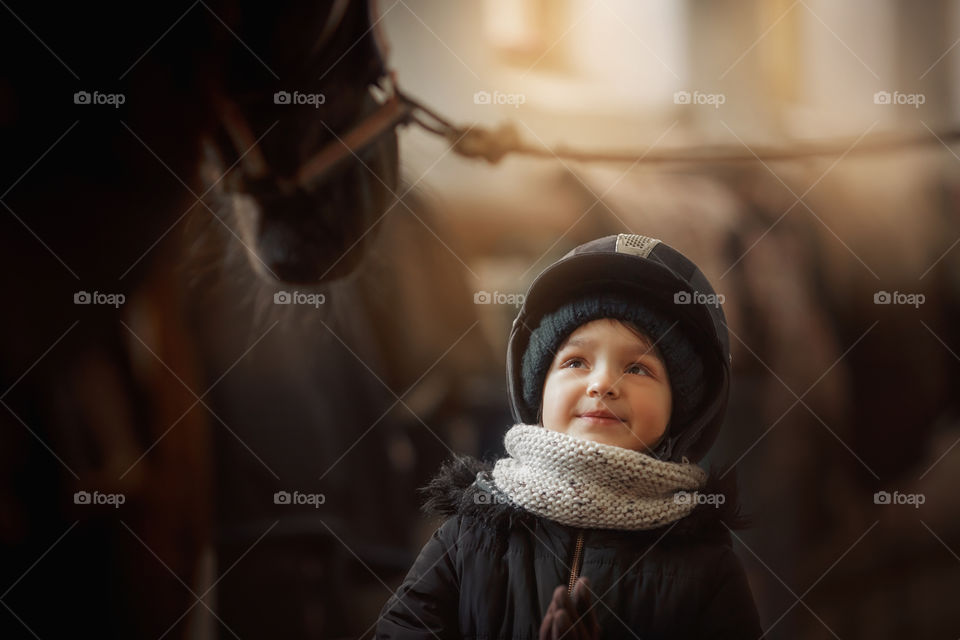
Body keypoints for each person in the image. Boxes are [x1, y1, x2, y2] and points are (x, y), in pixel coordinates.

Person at [376, 234, 763, 639]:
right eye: (576, 361)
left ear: (680, 411)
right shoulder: (470, 536)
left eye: (637, 368)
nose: (602, 384)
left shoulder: (704, 565)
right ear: (538, 394)